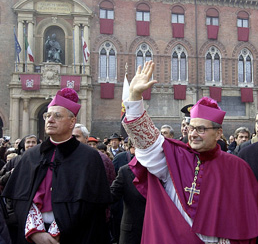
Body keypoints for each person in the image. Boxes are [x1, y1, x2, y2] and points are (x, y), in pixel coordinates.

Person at [122, 60, 258, 243]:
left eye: (201, 129)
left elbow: (245, 220)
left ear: (218, 133)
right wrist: (135, 97)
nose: (193, 134)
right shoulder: (174, 156)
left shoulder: (237, 167)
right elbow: (146, 141)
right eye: (191, 127)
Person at [2, 88, 111, 244]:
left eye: (57, 116)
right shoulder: (30, 156)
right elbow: (18, 199)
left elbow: (93, 206)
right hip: (32, 234)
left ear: (72, 121)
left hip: (75, 236)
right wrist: (34, 231)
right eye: (47, 115)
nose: (50, 120)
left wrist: (58, 230)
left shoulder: (89, 157)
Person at [110, 164, 146, 244]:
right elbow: (112, 195)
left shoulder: (161, 171)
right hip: (131, 233)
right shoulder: (125, 171)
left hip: (155, 229)